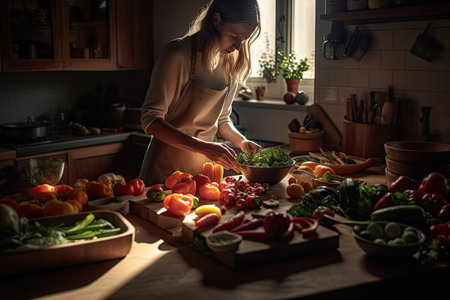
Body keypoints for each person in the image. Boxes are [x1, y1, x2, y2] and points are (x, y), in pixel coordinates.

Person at [140, 0, 262, 185]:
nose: (237, 46)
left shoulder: (229, 63)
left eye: (243, 40)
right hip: (164, 173)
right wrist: (205, 148)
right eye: (234, 36)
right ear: (216, 19)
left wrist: (242, 141)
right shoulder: (177, 54)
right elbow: (151, 121)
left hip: (203, 176)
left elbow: (222, 120)